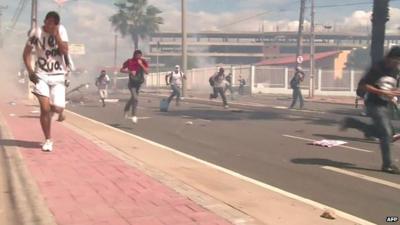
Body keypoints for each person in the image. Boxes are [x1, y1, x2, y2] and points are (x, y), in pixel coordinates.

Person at [340, 46, 400, 174]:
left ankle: (352, 122)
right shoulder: (378, 68)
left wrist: (394, 93)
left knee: (386, 135)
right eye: (396, 60)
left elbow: (391, 88)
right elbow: (363, 85)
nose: (397, 63)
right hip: (373, 103)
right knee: (386, 133)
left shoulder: (395, 71)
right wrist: (381, 91)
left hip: (385, 105)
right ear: (391, 57)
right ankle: (388, 165)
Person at [22, 11, 69, 152]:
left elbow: (65, 51)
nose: (49, 25)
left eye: (52, 23)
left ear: (57, 24)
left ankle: (60, 112)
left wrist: (57, 36)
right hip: (41, 74)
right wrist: (30, 71)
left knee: (58, 107)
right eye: (47, 21)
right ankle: (48, 139)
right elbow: (26, 53)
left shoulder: (61, 30)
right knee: (45, 108)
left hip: (58, 75)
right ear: (44, 21)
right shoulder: (36, 33)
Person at [120, 49, 149, 124]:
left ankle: (126, 109)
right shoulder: (130, 61)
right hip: (132, 83)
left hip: (138, 83)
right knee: (135, 99)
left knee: (133, 99)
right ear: (134, 55)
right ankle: (134, 115)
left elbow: (147, 72)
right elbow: (121, 70)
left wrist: (141, 64)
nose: (139, 57)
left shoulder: (143, 61)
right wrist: (129, 71)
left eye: (140, 55)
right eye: (137, 55)